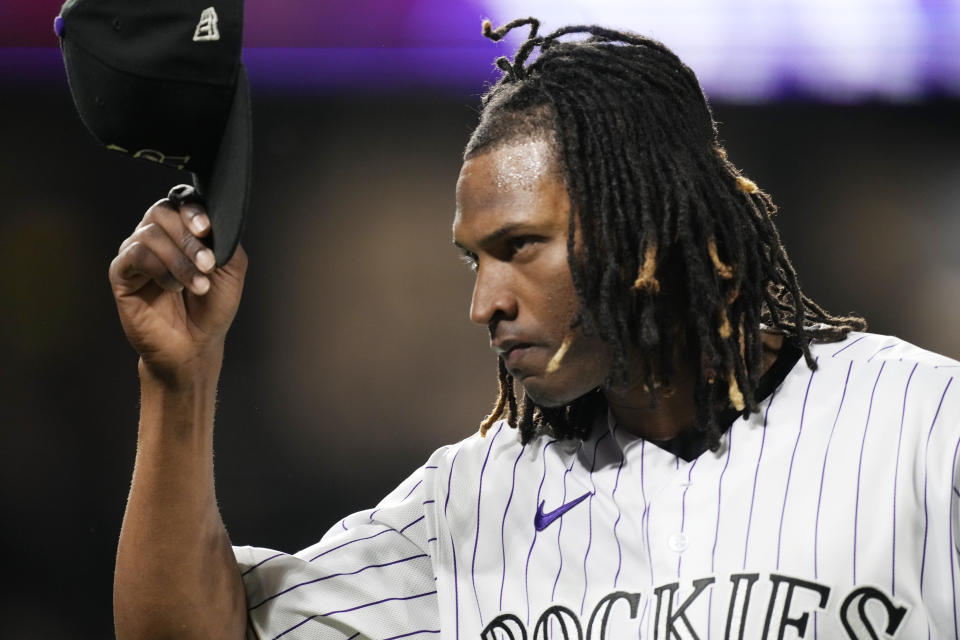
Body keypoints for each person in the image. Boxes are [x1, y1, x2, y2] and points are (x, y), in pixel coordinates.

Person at [110, 19, 960, 640]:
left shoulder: (921, 425)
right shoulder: (470, 505)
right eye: (475, 260)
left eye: (520, 247)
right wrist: (177, 376)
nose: (484, 303)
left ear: (644, 225)